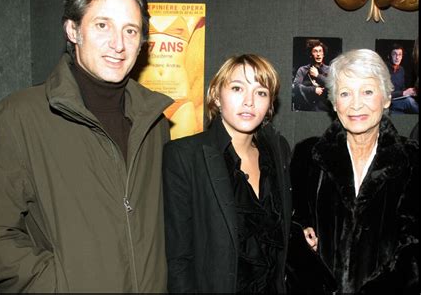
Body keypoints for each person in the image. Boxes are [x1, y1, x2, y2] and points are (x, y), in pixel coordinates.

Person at [0, 0, 173, 293]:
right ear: (73, 30)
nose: (118, 44)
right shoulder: (17, 118)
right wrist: (57, 285)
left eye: (130, 30)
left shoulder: (154, 121)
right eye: (102, 25)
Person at [291, 49, 419, 294]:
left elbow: (413, 250)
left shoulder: (413, 159)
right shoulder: (308, 156)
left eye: (368, 91)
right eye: (345, 93)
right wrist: (301, 235)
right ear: (334, 103)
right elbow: (291, 231)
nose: (356, 104)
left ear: (387, 99)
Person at [162, 54, 293, 293]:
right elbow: (177, 259)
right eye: (237, 88)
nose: (249, 102)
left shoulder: (278, 152)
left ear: (270, 104)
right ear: (216, 96)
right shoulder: (184, 156)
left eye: (261, 92)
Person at [292, 39, 331, 112]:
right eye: (315, 51)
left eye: (320, 51)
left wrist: (317, 75)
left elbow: (334, 85)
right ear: (310, 54)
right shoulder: (303, 69)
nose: (318, 54)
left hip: (325, 110)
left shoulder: (329, 70)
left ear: (323, 54)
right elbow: (296, 86)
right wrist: (313, 90)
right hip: (306, 109)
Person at [388, 43, 419, 114]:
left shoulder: (401, 69)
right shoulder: (384, 70)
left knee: (411, 99)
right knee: (409, 101)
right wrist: (403, 93)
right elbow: (384, 94)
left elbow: (402, 89)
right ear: (389, 56)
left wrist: (410, 92)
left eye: (399, 54)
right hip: (389, 101)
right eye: (394, 54)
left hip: (399, 99)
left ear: (402, 57)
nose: (397, 57)